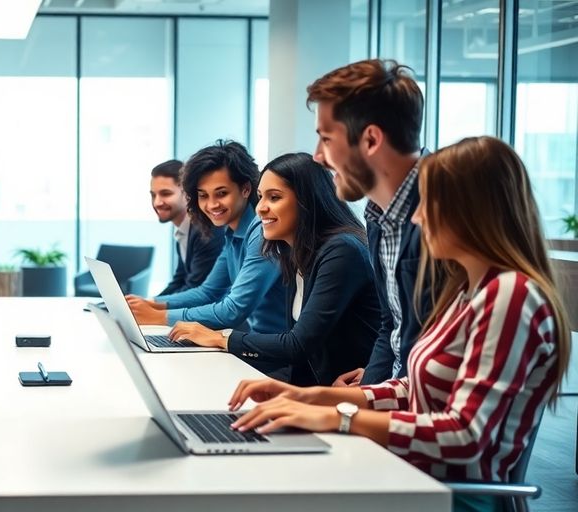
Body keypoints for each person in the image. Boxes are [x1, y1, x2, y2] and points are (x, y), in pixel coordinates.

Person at [229, 137, 569, 512]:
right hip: (413, 474)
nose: (417, 219)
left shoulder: (511, 295)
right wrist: (314, 396)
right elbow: (413, 388)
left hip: (451, 496)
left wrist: (339, 417)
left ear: (472, 211)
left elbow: (467, 436)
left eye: (430, 205)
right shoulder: (468, 291)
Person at [169, 153, 379, 385]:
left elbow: (298, 344)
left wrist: (220, 338)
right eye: (261, 197)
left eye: (274, 197)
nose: (260, 209)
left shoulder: (342, 251)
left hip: (348, 390)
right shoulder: (293, 252)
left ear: (307, 201)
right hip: (314, 381)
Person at [307, 59, 436, 386]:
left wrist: (359, 408)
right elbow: (392, 327)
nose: (317, 157)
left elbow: (434, 352)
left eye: (325, 138)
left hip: (420, 418)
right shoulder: (377, 215)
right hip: (394, 399)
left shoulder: (442, 213)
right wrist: (367, 394)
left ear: (371, 140)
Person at [126, 140, 286, 333]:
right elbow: (208, 292)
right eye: (203, 195)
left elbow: (233, 310)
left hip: (272, 354)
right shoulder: (233, 235)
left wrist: (159, 316)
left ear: (245, 189)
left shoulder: (262, 232)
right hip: (253, 344)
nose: (212, 205)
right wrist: (150, 303)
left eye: (221, 193)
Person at [150, 159, 224, 295]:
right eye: (153, 195)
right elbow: (180, 280)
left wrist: (151, 306)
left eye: (165, 194)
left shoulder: (206, 231)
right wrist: (146, 303)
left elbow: (195, 287)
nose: (157, 202)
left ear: (187, 194)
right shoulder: (183, 229)